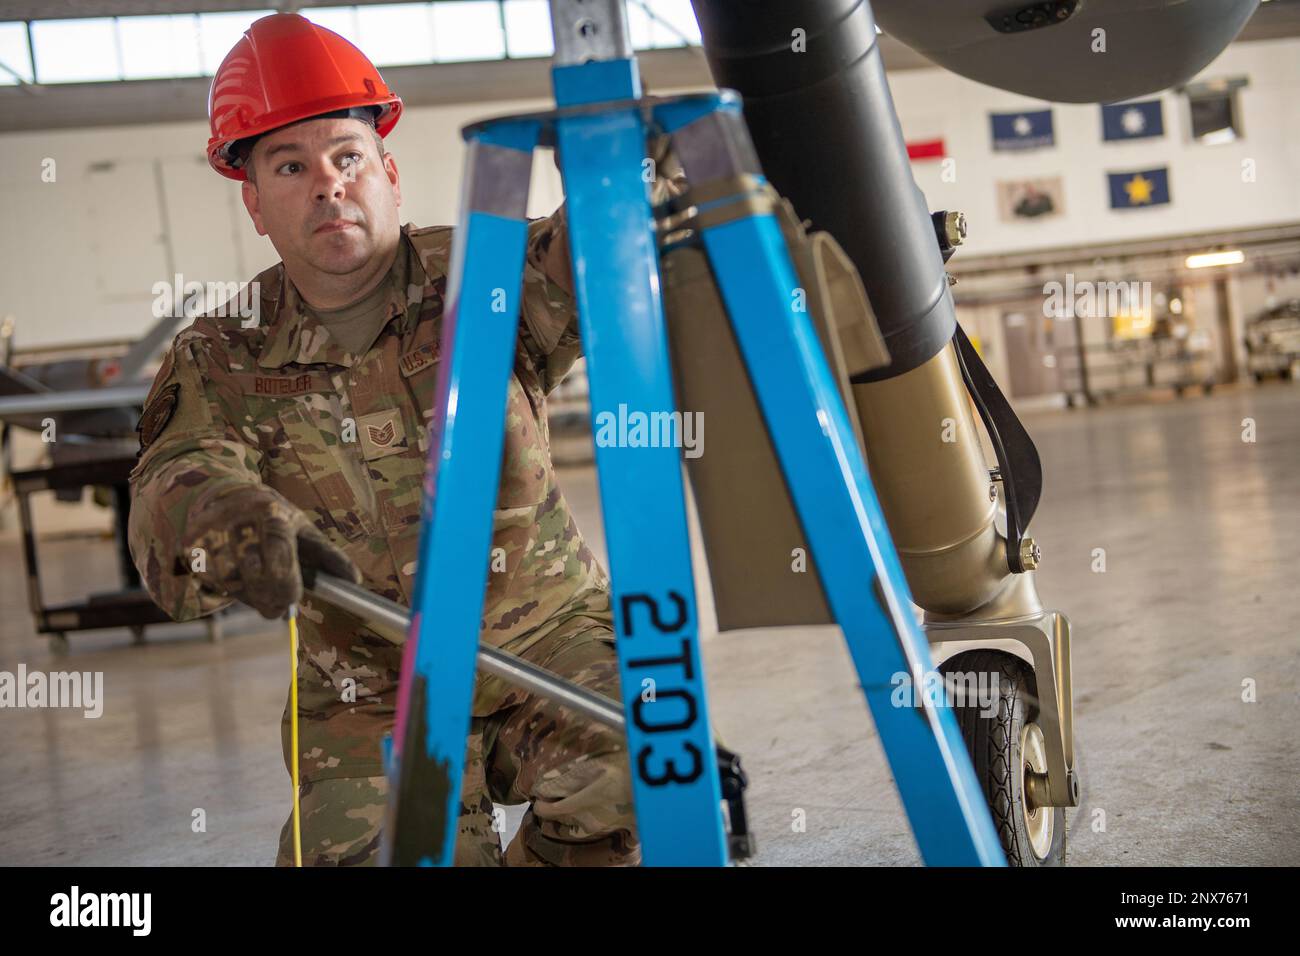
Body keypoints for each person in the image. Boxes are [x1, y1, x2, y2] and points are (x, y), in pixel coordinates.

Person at [128, 12, 637, 866]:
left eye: (347, 156)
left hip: (550, 644)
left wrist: (656, 182)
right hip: (365, 685)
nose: (328, 185)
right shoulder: (223, 352)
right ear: (254, 201)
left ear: (389, 173)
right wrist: (234, 522)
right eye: (290, 166)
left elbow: (605, 252)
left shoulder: (488, 278)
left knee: (646, 776)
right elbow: (173, 482)